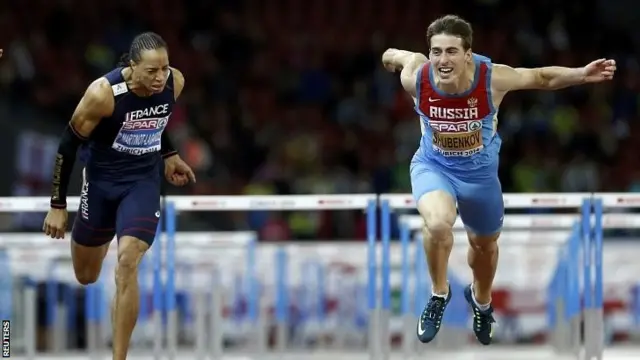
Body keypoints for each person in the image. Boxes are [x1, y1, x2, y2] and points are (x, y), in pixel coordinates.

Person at [381, 15, 616, 346]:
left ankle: (481, 301)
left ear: (467, 54)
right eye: (436, 52)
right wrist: (390, 58)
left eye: (451, 52)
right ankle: (439, 294)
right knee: (436, 225)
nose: (442, 61)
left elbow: (541, 78)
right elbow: (397, 55)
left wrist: (581, 74)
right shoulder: (416, 76)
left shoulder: (491, 79)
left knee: (485, 246)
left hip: (480, 179)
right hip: (434, 167)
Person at [42, 32, 195, 360]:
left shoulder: (175, 83)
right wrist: (57, 205)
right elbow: (67, 146)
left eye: (165, 69)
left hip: (141, 183)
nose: (160, 77)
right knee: (86, 276)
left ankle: (119, 357)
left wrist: (168, 154)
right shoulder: (102, 94)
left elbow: (156, 118)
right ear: (131, 65)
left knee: (127, 263)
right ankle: (109, 222)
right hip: (99, 184)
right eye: (151, 71)